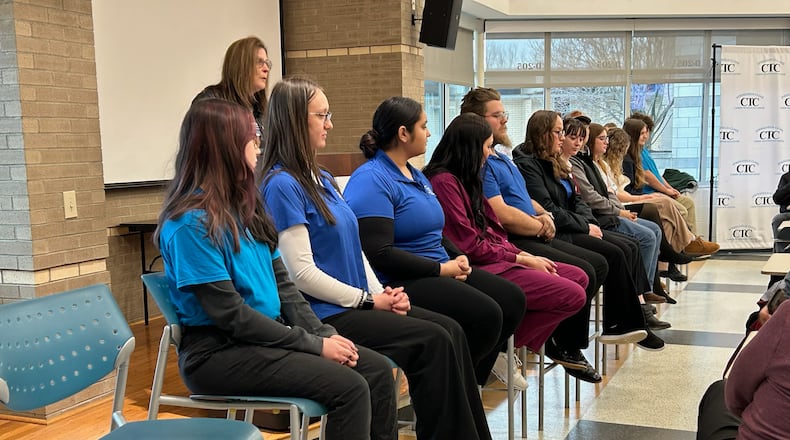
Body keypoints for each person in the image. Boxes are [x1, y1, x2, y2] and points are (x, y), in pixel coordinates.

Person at [259, 77, 491, 440]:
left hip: (356, 304)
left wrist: (382, 293)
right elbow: (300, 273)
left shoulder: (318, 176)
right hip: (326, 314)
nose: (330, 123)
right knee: (433, 342)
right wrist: (368, 300)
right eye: (322, 115)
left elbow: (356, 248)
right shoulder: (281, 184)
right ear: (293, 120)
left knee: (451, 331)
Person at [154, 98, 393, 440]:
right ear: (224, 147)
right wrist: (312, 345)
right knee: (350, 388)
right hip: (218, 353)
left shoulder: (246, 210)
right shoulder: (189, 225)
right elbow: (233, 316)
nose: (258, 148)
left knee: (376, 370)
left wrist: (324, 334)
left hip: (262, 340)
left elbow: (287, 291)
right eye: (251, 140)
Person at [343, 96, 528, 389]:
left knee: (512, 299)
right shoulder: (372, 178)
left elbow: (436, 228)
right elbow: (378, 253)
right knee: (486, 314)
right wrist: (442, 269)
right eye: (424, 126)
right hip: (403, 278)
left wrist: (457, 257)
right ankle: (454, 384)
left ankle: (464, 380)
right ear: (403, 133)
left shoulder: (416, 175)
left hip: (438, 265)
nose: (429, 133)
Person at [462, 87, 636, 382]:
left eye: (504, 114)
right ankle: (557, 344)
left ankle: (573, 337)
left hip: (538, 229)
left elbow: (526, 198)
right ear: (477, 121)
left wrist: (543, 215)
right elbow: (501, 213)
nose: (505, 120)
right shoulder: (485, 163)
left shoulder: (502, 156)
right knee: (589, 267)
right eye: (498, 115)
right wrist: (542, 224)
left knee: (608, 257)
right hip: (517, 238)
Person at [423, 112, 592, 381]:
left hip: (498, 254)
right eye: (487, 147)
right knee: (571, 294)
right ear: (470, 148)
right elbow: (470, 244)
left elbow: (493, 229)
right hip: (481, 263)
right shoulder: (444, 182)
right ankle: (500, 349)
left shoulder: (469, 177)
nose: (490, 154)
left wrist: (520, 254)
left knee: (580, 276)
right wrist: (522, 259)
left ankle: (505, 347)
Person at [513, 110, 667, 350]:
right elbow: (549, 207)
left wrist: (587, 223)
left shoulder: (557, 161)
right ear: (543, 134)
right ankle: (580, 334)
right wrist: (586, 225)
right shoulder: (528, 165)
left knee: (627, 247)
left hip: (573, 224)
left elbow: (577, 199)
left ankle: (629, 320)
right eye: (559, 132)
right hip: (558, 229)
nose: (564, 138)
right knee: (610, 257)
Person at [572, 122, 664, 303]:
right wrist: (621, 211)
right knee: (646, 234)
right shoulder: (580, 164)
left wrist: (621, 210)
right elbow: (590, 197)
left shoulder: (596, 164)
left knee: (654, 227)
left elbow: (608, 193)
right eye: (602, 138)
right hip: (602, 216)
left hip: (611, 211)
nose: (606, 142)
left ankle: (647, 288)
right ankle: (639, 295)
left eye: (607, 138)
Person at [622, 117, 719, 280]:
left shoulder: (639, 153)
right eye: (642, 133)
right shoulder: (629, 158)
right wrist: (663, 191)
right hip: (636, 198)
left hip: (640, 196)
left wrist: (668, 189)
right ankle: (685, 246)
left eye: (647, 132)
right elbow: (645, 178)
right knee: (676, 208)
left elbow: (656, 174)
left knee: (673, 214)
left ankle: (667, 263)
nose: (646, 136)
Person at [193, 36, 271, 133]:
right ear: (241, 65)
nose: (266, 69)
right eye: (259, 62)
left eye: (267, 63)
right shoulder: (210, 102)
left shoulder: (260, 108)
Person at [771, 169, 790, 253]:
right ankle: (780, 252)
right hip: (787, 212)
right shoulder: (786, 177)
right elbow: (777, 199)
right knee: (777, 219)